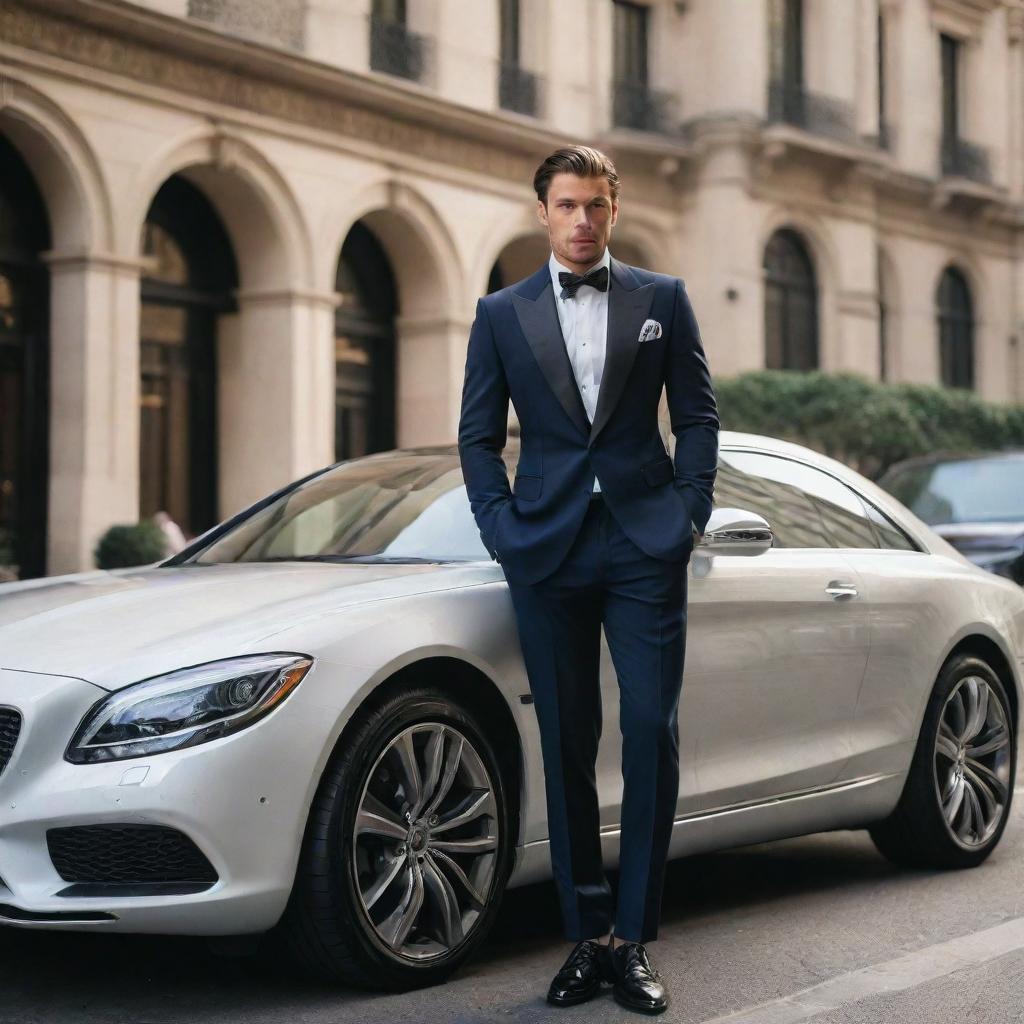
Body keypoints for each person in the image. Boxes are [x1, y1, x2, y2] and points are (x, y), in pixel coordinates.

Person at [457, 144, 719, 1014]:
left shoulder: (663, 299)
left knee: (649, 727)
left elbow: (697, 416)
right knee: (566, 739)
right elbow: (477, 435)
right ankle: (585, 936)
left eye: (595, 207)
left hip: (645, 543)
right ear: (543, 213)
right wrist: (499, 529)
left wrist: (687, 516)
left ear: (615, 208)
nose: (581, 222)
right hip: (547, 548)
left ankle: (633, 939)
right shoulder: (501, 313)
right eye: (566, 206)